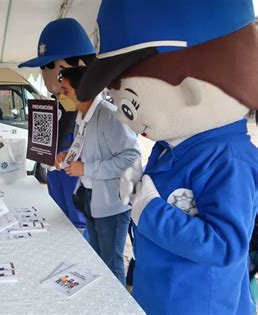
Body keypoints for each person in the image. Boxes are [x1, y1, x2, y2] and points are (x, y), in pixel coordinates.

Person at [77, 0, 258, 313]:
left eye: (130, 104)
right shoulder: (168, 145)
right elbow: (158, 200)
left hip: (200, 304)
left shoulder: (230, 160)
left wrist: (150, 211)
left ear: (190, 91)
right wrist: (136, 191)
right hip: (159, 294)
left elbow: (225, 245)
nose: (124, 118)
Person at [56, 67, 140, 285]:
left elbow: (131, 158)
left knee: (111, 264)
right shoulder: (82, 115)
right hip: (90, 197)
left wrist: (86, 169)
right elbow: (84, 149)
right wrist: (67, 156)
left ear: (83, 89)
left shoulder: (110, 115)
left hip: (112, 203)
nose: (61, 94)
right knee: (96, 260)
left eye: (65, 89)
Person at [18, 18, 96, 229]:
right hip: (56, 177)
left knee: (82, 223)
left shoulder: (99, 110)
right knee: (60, 219)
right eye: (44, 68)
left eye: (53, 67)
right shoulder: (55, 105)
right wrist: (42, 153)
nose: (47, 76)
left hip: (83, 181)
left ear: (80, 65)